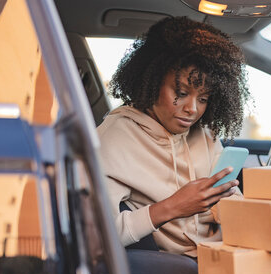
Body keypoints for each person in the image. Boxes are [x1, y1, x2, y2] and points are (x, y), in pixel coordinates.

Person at [97, 16, 249, 256]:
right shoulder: (114, 138)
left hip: (225, 254)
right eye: (181, 93)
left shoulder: (204, 135)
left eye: (203, 99)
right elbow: (96, 235)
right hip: (177, 268)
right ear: (152, 80)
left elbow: (229, 199)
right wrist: (172, 207)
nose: (193, 109)